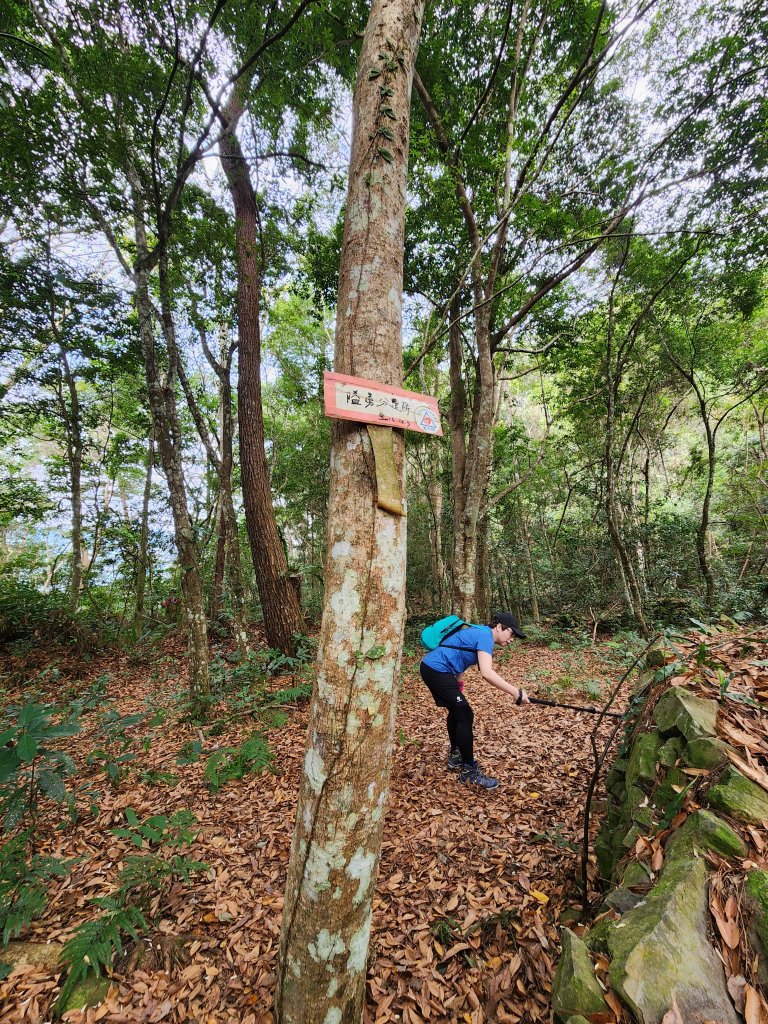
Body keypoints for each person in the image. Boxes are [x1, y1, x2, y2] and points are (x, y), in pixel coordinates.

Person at [419, 611, 530, 790]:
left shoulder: (478, 631)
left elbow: (459, 656)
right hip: (437, 670)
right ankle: (469, 771)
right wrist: (515, 692)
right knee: (465, 715)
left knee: (458, 711)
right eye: (511, 633)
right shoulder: (485, 637)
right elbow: (486, 673)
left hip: (434, 669)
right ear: (500, 627)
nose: (512, 639)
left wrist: (458, 686)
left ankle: (456, 755)